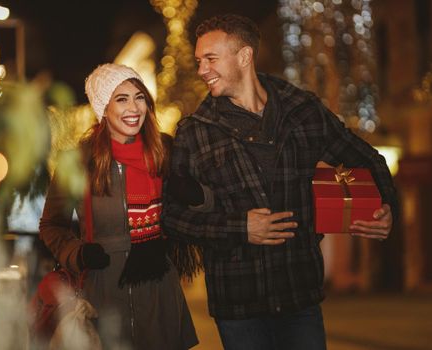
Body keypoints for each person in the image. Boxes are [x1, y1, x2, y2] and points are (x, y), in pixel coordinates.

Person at [162, 14, 398, 350]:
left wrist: (386, 204)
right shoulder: (194, 130)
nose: (202, 70)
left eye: (211, 59)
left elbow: (368, 159)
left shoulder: (304, 110)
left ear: (244, 56)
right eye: (199, 61)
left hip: (299, 296)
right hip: (238, 305)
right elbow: (171, 215)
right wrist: (240, 228)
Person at [40, 63, 199, 350]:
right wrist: (77, 253)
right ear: (103, 107)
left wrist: (197, 196)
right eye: (122, 99)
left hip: (158, 287)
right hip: (103, 288)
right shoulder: (76, 161)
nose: (134, 108)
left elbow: (192, 213)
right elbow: (52, 225)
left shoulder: (164, 151)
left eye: (140, 97)